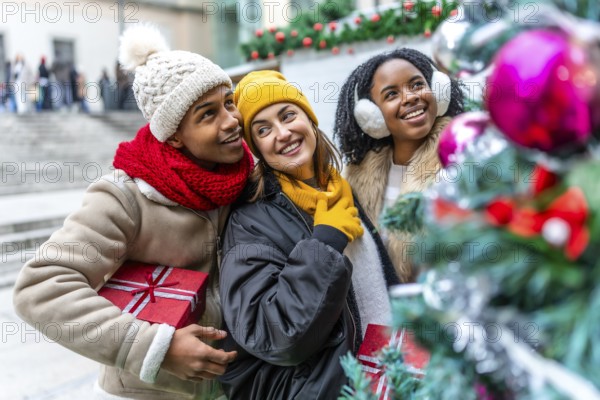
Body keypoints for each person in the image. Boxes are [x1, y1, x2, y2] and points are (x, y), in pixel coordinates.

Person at [13, 24, 254, 399]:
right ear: (173, 135)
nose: (231, 120)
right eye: (207, 114)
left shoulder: (246, 178)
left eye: (228, 102)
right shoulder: (126, 196)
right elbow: (41, 288)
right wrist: (153, 347)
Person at [218, 70, 399, 399]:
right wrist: (326, 242)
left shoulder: (342, 189)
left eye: (288, 115)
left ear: (309, 117)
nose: (283, 133)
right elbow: (274, 332)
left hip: (392, 374)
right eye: (263, 129)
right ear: (256, 146)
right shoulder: (251, 220)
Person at [333, 48, 464, 283]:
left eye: (416, 85)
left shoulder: (461, 155)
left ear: (437, 89)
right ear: (371, 116)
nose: (410, 97)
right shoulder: (355, 179)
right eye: (392, 94)